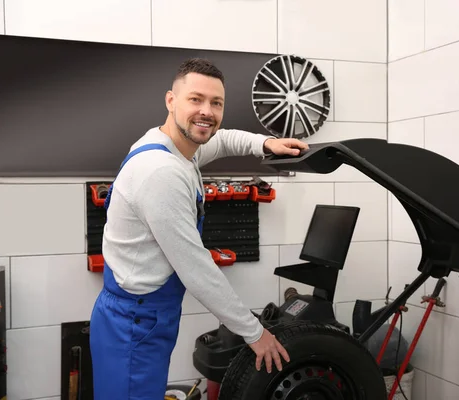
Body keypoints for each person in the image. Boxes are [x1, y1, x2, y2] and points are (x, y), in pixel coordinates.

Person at [89, 58, 307, 399]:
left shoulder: (171, 146)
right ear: (171, 101)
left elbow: (222, 141)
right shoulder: (161, 173)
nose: (206, 111)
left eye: (216, 103)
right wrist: (254, 333)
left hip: (137, 315)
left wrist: (265, 143)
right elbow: (197, 270)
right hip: (134, 323)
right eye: (196, 99)